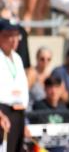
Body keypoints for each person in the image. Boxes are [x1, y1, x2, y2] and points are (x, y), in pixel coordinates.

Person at [0, 18, 27, 152]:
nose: (13, 39)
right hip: (3, 111)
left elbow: (22, 87)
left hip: (19, 111)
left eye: (16, 35)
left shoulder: (17, 58)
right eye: (8, 35)